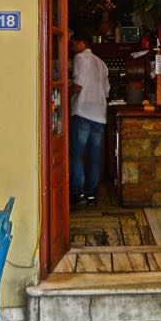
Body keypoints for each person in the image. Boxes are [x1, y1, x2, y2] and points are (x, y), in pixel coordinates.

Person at [69, 31, 110, 207]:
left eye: (72, 44)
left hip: (83, 111)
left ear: (80, 43)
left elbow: (78, 85)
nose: (71, 48)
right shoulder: (101, 63)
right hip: (99, 113)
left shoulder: (79, 58)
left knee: (77, 155)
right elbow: (107, 90)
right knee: (95, 156)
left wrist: (65, 93)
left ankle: (78, 194)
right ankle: (92, 194)